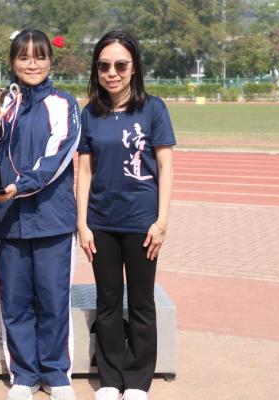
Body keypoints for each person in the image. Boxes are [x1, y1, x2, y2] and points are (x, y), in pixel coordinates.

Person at [0, 29, 81, 400]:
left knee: (53, 300)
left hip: (52, 218)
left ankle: (55, 374)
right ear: (12, 62)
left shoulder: (64, 103)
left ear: (50, 61)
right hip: (8, 220)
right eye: (24, 57)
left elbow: (57, 157)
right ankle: (24, 375)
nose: (32, 64)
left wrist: (15, 187)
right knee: (15, 301)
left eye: (40, 57)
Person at [76, 30, 175, 400]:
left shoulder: (153, 109)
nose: (111, 73)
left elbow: (165, 167)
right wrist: (82, 223)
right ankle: (110, 379)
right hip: (101, 222)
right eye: (104, 66)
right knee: (107, 302)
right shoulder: (90, 113)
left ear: (134, 67)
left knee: (142, 302)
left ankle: (136, 381)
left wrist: (161, 222)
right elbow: (84, 171)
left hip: (142, 223)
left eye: (120, 65)